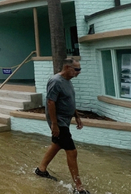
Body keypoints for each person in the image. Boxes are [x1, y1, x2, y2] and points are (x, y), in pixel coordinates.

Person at [35, 58, 89, 194]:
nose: (79, 72)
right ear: (67, 67)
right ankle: (79, 188)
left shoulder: (68, 81)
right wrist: (55, 124)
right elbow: (50, 103)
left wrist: (76, 116)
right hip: (58, 121)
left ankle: (41, 169)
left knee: (57, 144)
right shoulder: (56, 81)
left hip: (64, 120)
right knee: (72, 151)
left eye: (80, 69)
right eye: (77, 69)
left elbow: (69, 100)